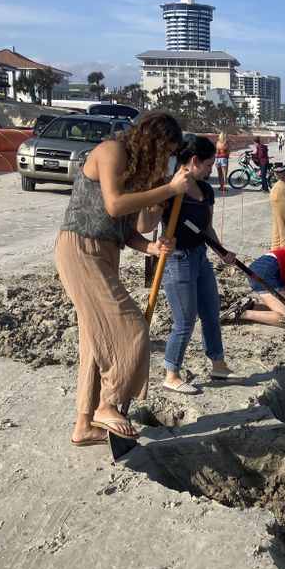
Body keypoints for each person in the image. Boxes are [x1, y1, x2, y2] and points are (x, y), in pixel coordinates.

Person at [54, 112, 192, 446]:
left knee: (94, 342)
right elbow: (114, 206)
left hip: (106, 252)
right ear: (153, 140)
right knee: (131, 327)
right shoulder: (111, 151)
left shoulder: (137, 173)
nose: (166, 158)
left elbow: (132, 229)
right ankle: (107, 404)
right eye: (166, 150)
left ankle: (84, 426)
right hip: (80, 248)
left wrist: (152, 246)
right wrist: (167, 187)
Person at [154, 135, 243, 393]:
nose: (211, 169)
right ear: (194, 161)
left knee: (211, 314)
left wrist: (221, 252)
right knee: (185, 320)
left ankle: (218, 364)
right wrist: (165, 193)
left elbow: (207, 228)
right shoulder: (170, 188)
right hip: (178, 259)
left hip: (200, 256)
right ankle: (171, 373)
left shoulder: (205, 190)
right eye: (208, 164)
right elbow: (144, 224)